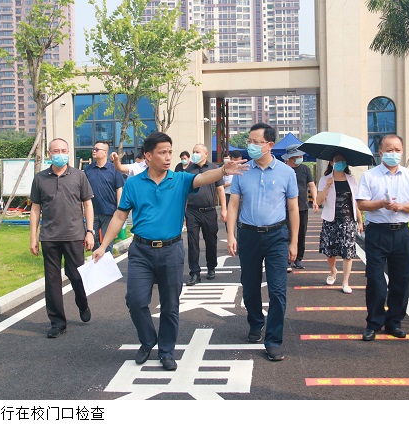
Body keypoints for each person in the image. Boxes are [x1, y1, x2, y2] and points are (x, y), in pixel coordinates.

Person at [93, 132, 247, 371]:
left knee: (170, 305)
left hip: (171, 251)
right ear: (148, 156)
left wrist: (223, 170)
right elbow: (120, 216)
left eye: (170, 152)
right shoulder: (133, 183)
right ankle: (148, 341)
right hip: (141, 251)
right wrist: (104, 246)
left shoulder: (180, 179)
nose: (168, 157)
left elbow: (203, 178)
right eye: (162, 153)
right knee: (135, 300)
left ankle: (166, 351)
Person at [226, 123, 299, 362]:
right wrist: (231, 235)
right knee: (249, 286)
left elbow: (293, 209)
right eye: (249, 141)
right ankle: (256, 322)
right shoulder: (242, 171)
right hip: (248, 235)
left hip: (277, 236)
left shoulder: (287, 172)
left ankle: (274, 340)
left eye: (256, 142)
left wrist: (294, 242)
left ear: (270, 145)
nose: (251, 146)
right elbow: (233, 205)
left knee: (277, 291)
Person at [356, 134, 409, 341]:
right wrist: (381, 204)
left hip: (402, 233)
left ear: (402, 152)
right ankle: (373, 323)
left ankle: (394, 322)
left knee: (401, 281)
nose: (393, 153)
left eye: (397, 150)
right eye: (389, 150)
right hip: (377, 233)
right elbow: (362, 204)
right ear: (380, 152)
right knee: (376, 281)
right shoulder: (370, 176)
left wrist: (401, 206)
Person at [29, 138, 94, 338]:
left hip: (74, 235)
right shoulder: (40, 178)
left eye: (64, 150)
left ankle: (82, 302)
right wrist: (33, 238)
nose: (60, 154)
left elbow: (88, 204)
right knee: (52, 281)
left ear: (68, 152)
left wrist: (89, 231)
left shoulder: (79, 175)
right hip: (49, 237)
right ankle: (57, 322)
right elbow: (35, 209)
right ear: (49, 154)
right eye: (56, 151)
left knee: (76, 275)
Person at [316, 153, 363, 294]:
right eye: (337, 160)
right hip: (331, 220)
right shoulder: (325, 179)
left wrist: (360, 221)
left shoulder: (351, 179)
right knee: (330, 251)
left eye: (342, 160)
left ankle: (345, 281)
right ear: (331, 163)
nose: (340, 163)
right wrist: (327, 186)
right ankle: (333, 271)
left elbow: (356, 202)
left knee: (348, 252)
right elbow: (318, 201)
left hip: (348, 221)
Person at [184, 144, 227, 285]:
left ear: (206, 154)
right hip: (192, 211)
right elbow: (183, 193)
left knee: (211, 241)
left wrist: (224, 209)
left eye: (198, 152)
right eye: (193, 151)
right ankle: (194, 273)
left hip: (209, 211)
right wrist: (183, 212)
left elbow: (220, 190)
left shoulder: (214, 169)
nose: (195, 154)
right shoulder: (188, 170)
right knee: (192, 242)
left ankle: (211, 267)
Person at [282, 144, 319, 270]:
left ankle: (298, 258)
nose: (300, 158)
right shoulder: (283, 169)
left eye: (300, 156)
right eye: (297, 156)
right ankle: (287, 260)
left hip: (302, 206)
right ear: (290, 157)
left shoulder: (305, 169)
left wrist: (315, 200)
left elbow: (312, 185)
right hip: (285, 207)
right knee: (286, 233)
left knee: (301, 233)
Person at [84, 141, 124, 253]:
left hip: (109, 212)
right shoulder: (88, 169)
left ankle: (107, 263)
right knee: (93, 241)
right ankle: (97, 262)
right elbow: (83, 191)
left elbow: (119, 189)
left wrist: (119, 209)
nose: (94, 151)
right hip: (92, 212)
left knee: (107, 243)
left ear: (105, 152)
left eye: (97, 149)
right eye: (93, 149)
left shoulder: (114, 169)